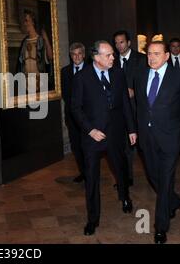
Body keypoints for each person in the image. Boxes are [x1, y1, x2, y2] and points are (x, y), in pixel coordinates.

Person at [71, 40, 137, 236]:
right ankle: (93, 218)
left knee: (121, 169)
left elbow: (125, 103)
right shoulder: (82, 77)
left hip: (116, 134)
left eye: (112, 54)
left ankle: (125, 197)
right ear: (96, 57)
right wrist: (90, 130)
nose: (113, 57)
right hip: (92, 137)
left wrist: (131, 129)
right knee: (91, 178)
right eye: (108, 55)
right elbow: (75, 108)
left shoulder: (118, 73)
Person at [134, 41, 180, 244]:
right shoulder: (141, 75)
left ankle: (161, 226)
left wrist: (176, 127)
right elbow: (139, 106)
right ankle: (174, 201)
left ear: (167, 56)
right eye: (149, 53)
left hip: (170, 138)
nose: (152, 57)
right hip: (147, 137)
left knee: (166, 178)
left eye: (157, 54)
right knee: (153, 176)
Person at [113, 30, 147, 186]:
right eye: (116, 42)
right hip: (120, 111)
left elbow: (148, 83)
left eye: (121, 42)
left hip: (138, 109)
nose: (119, 45)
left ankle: (153, 174)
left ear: (128, 43)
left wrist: (135, 91)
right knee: (123, 146)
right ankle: (127, 178)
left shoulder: (141, 59)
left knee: (143, 147)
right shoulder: (112, 61)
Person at [60, 42, 86, 183]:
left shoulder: (90, 69)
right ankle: (83, 172)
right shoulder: (65, 72)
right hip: (71, 116)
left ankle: (90, 172)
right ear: (71, 56)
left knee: (87, 146)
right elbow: (65, 94)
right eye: (74, 54)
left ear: (83, 55)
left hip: (87, 117)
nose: (77, 57)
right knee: (76, 146)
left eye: (79, 54)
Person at [16, 9, 53, 92]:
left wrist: (46, 39)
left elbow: (50, 57)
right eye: (24, 21)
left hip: (40, 83)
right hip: (26, 84)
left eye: (27, 21)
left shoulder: (40, 40)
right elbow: (20, 64)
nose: (25, 24)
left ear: (33, 22)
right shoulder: (24, 42)